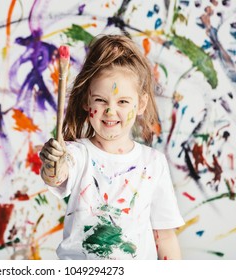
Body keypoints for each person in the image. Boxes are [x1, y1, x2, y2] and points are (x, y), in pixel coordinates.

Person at [39, 34, 185, 260]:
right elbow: (56, 176)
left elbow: (165, 236)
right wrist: (52, 163)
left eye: (123, 102)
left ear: (141, 104)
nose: (110, 111)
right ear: (87, 101)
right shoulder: (78, 154)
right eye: (100, 100)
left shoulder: (153, 163)